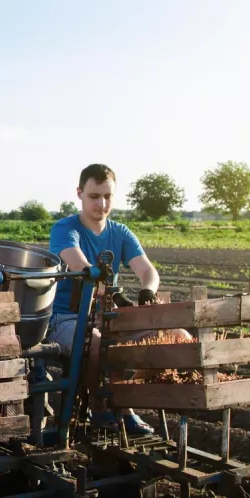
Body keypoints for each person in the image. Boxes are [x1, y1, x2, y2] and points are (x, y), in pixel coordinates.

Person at [47, 163, 170, 437]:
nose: (102, 204)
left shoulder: (121, 233)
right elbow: (83, 268)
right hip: (66, 317)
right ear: (79, 193)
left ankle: (125, 404)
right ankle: (99, 405)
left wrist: (148, 290)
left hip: (108, 313)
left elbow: (147, 270)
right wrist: (113, 293)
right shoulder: (65, 229)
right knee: (98, 344)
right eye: (94, 196)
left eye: (108, 196)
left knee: (159, 339)